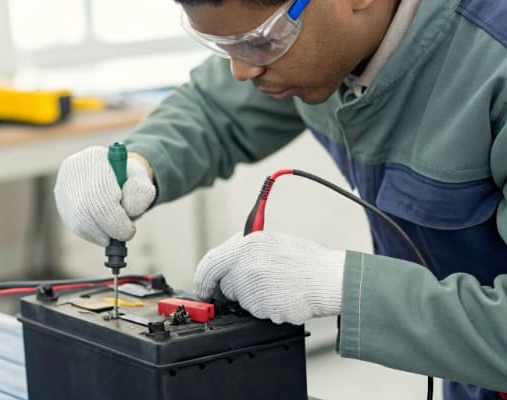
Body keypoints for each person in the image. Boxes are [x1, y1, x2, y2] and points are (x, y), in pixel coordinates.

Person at [53, 0, 507, 398]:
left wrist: (340, 286)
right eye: (223, 45)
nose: (241, 70)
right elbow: (214, 108)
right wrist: (141, 162)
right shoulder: (318, 42)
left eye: (258, 43)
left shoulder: (493, 63)